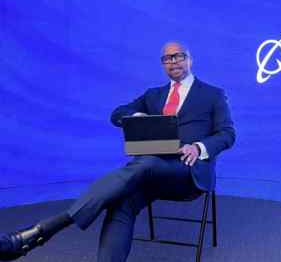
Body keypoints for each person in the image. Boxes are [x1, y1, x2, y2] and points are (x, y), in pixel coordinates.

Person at [0, 42, 236, 262]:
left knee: (144, 165)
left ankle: (44, 229)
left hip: (187, 172)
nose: (173, 61)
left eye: (178, 56)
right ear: (162, 64)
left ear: (190, 59)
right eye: (166, 58)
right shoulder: (153, 95)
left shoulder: (212, 94)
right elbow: (117, 113)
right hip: (148, 174)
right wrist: (136, 117)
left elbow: (227, 134)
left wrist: (198, 147)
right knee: (120, 201)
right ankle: (41, 233)